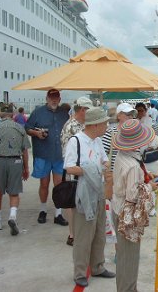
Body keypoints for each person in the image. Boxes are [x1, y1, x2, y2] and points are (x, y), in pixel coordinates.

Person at [63, 106, 115, 287]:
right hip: (83, 193)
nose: (107, 126)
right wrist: (92, 169)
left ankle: (97, 266)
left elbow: (104, 160)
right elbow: (69, 167)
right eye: (104, 123)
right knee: (84, 236)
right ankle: (79, 272)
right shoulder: (76, 142)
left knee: (100, 233)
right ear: (95, 125)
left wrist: (106, 166)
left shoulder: (97, 141)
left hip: (98, 191)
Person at [111, 119, 158, 292]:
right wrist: (150, 187)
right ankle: (128, 289)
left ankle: (125, 287)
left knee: (124, 256)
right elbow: (133, 195)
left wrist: (146, 176)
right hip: (128, 215)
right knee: (130, 258)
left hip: (118, 208)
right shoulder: (133, 165)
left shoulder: (123, 157)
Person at [25, 89, 70, 225]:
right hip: (43, 154)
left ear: (60, 99)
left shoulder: (64, 114)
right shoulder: (38, 112)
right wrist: (36, 133)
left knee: (59, 185)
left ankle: (58, 214)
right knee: (44, 184)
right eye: (51, 98)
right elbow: (27, 128)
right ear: (47, 98)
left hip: (59, 155)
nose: (54, 100)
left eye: (56, 98)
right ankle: (43, 210)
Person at [0, 103, 30, 235]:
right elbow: (25, 151)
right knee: (14, 192)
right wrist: (26, 167)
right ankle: (12, 216)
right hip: (15, 161)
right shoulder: (19, 128)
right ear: (13, 115)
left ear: (0, 114)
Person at [60, 96, 93, 246]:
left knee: (79, 203)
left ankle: (78, 232)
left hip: (83, 170)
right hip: (74, 171)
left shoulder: (82, 124)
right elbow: (68, 155)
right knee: (73, 204)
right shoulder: (71, 127)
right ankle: (73, 234)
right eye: (88, 110)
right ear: (81, 110)